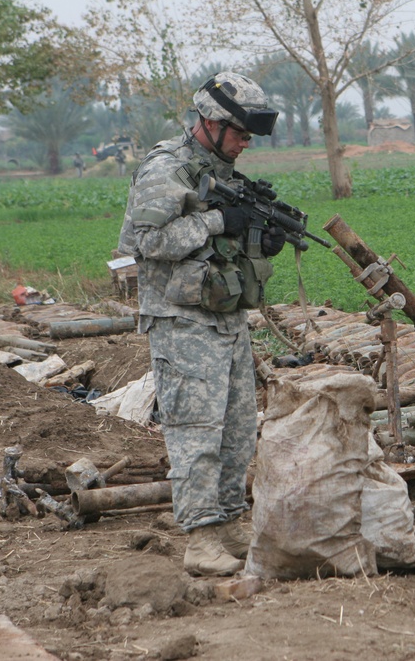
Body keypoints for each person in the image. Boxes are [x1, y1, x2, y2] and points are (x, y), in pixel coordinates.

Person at [117, 71, 285, 577]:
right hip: (182, 322)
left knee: (236, 430)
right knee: (196, 433)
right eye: (237, 132)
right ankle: (200, 536)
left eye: (248, 135)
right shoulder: (167, 168)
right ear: (209, 122)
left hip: (225, 317)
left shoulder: (220, 168)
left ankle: (230, 521)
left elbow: (224, 246)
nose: (244, 143)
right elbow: (144, 245)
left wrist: (258, 236)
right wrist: (217, 221)